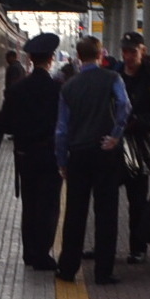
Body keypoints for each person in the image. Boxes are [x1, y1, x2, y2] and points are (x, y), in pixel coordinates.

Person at [55, 36, 131, 285]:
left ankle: (67, 268)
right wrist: (115, 135)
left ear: (78, 56)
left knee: (75, 212)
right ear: (101, 55)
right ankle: (103, 271)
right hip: (105, 151)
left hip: (78, 153)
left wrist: (62, 160)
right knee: (106, 212)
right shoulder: (112, 78)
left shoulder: (69, 86)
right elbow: (124, 105)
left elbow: (61, 129)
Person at [2, 33, 63, 271]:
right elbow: (64, 125)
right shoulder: (58, 90)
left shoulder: (17, 90)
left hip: (25, 156)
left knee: (30, 205)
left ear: (30, 58)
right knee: (48, 206)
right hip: (49, 155)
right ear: (50, 59)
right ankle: (42, 254)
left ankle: (28, 253)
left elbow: (6, 124)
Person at [116, 31, 150, 263]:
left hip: (139, 147)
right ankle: (103, 246)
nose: (128, 56)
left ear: (143, 51)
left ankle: (137, 248)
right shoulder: (114, 75)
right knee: (105, 199)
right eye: (125, 51)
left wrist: (139, 123)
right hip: (115, 146)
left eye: (133, 51)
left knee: (137, 200)